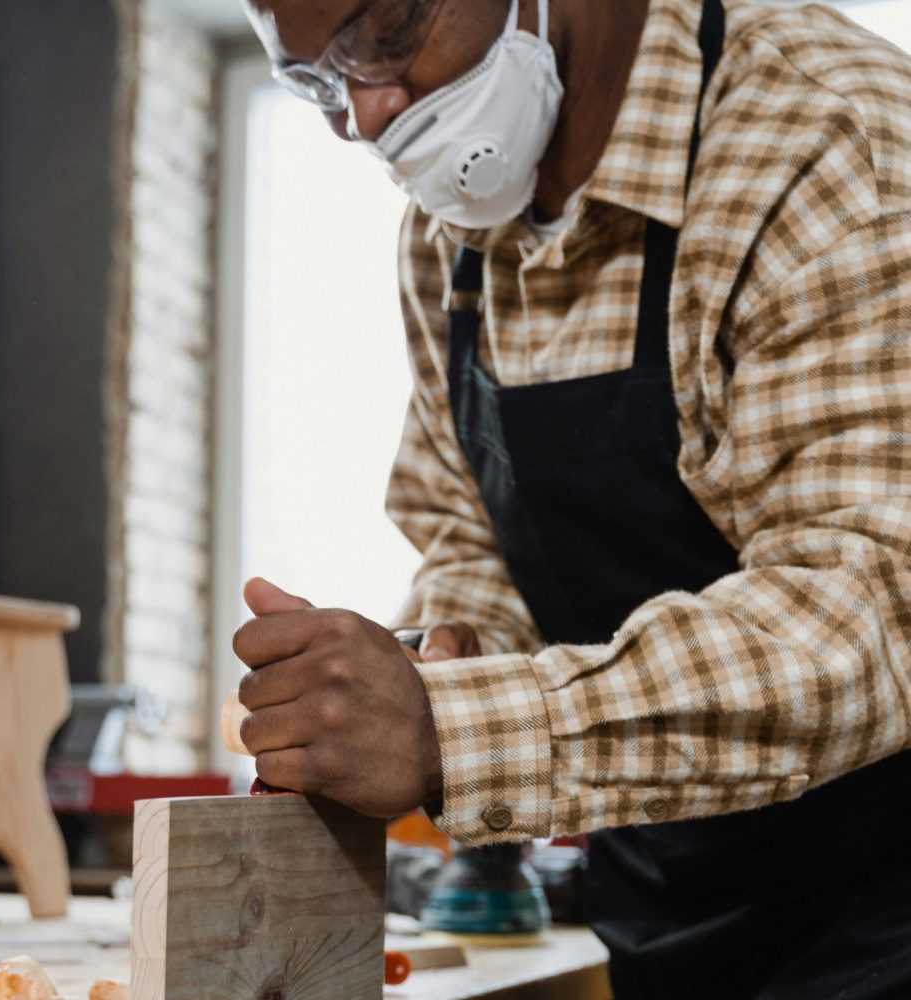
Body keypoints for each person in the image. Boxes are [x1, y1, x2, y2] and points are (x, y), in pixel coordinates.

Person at [232, 0, 911, 995]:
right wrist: (455, 649)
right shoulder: (447, 233)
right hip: (671, 914)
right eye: (318, 84)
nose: (369, 118)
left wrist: (448, 730)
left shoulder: (827, 138)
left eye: (385, 33)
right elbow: (467, 525)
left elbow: (870, 608)